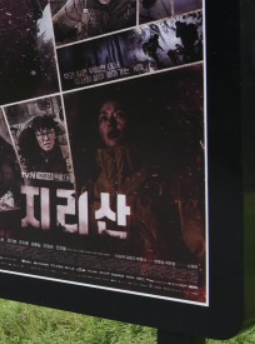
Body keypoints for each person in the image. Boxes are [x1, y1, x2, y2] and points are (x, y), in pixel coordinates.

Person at [85, 99, 205, 265]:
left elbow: (201, 246)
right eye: (103, 118)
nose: (110, 123)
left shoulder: (163, 177)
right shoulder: (96, 185)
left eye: (118, 115)